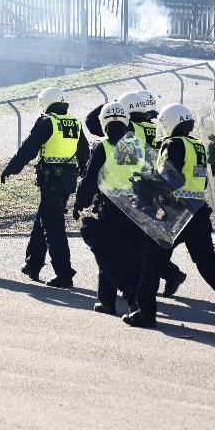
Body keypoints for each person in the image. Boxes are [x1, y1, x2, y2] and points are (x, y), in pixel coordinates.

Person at [126, 104, 215, 332]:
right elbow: (201, 181)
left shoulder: (173, 144)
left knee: (152, 262)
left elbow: (171, 178)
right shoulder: (196, 145)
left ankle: (146, 314)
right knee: (208, 265)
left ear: (170, 122)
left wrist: (147, 183)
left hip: (175, 213)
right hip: (198, 212)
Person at [87, 93, 188, 298]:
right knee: (137, 243)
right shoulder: (154, 126)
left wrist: (109, 108)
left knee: (118, 245)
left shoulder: (129, 130)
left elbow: (92, 124)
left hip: (125, 191)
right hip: (151, 187)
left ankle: (123, 292)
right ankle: (163, 276)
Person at [1, 87, 88, 287]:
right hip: (68, 180)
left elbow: (28, 148)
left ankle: (64, 273)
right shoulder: (75, 123)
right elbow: (84, 153)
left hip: (51, 181)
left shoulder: (47, 121)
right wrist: (85, 175)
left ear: (45, 102)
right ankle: (33, 264)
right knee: (44, 219)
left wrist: (11, 168)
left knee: (53, 226)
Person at [73, 102, 146, 314]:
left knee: (105, 252)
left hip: (110, 207)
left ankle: (118, 297)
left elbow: (90, 178)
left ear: (103, 122)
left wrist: (80, 202)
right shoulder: (136, 144)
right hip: (133, 206)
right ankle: (115, 301)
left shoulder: (102, 146)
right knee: (130, 255)